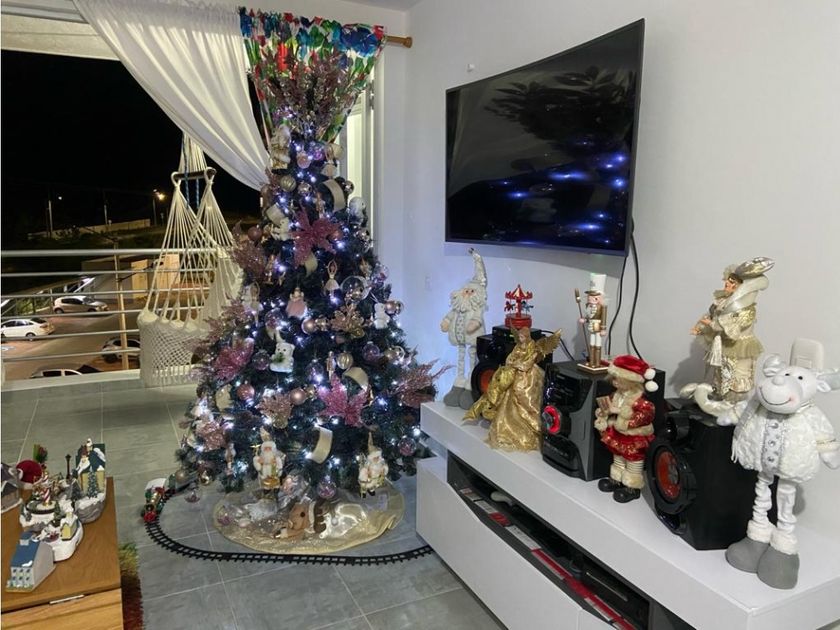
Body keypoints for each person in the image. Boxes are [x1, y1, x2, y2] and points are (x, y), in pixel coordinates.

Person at [690, 257, 773, 402]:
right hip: (723, 344)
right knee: (721, 372)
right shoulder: (722, 301)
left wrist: (712, 324)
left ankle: (734, 401)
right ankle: (720, 398)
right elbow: (712, 315)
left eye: (732, 282)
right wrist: (701, 328)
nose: (727, 283)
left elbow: (735, 325)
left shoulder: (746, 308)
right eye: (728, 280)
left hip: (739, 346)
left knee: (737, 373)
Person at [464, 327, 562, 451]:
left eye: (522, 337)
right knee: (506, 391)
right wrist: (510, 362)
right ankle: (509, 423)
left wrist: (517, 364)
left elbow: (528, 363)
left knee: (522, 393)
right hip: (515, 372)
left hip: (527, 376)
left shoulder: (533, 348)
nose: (520, 339)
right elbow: (510, 357)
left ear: (527, 337)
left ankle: (530, 426)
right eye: (519, 337)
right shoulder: (518, 346)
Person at [594, 355, 658, 503]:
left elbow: (646, 415)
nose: (615, 382)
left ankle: (632, 487)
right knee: (618, 456)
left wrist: (619, 412)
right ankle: (616, 479)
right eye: (614, 379)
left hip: (633, 436)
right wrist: (603, 413)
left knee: (633, 459)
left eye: (619, 380)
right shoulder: (617, 394)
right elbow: (609, 407)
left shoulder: (640, 401)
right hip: (618, 433)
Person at [440, 249, 488, 409]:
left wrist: (474, 324)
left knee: (472, 358)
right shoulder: (458, 307)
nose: (467, 293)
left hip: (472, 341)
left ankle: (470, 386)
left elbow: (477, 319)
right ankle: (458, 384)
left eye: (471, 291)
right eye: (466, 291)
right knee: (460, 359)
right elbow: (450, 315)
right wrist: (446, 322)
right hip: (460, 340)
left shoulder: (476, 309)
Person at [578, 273, 608, 369]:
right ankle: (591, 361)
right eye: (589, 296)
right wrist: (584, 320)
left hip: (598, 327)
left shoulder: (602, 307)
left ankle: (597, 362)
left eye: (593, 297)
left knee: (597, 344)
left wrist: (603, 329)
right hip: (591, 326)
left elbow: (603, 319)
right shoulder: (588, 306)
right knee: (591, 344)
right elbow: (589, 317)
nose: (590, 299)